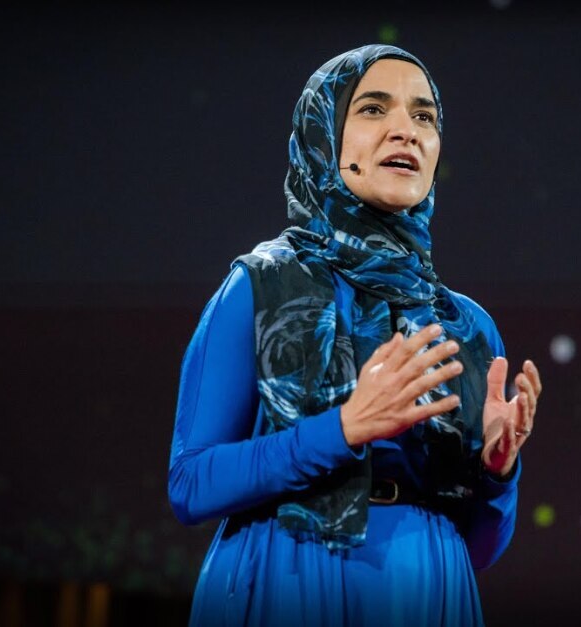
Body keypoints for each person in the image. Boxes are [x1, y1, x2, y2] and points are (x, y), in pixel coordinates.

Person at [167, 43, 543, 626]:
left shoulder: (465, 326)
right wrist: (342, 429)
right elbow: (190, 485)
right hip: (287, 583)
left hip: (428, 592)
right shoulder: (261, 285)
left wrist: (497, 474)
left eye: (424, 117)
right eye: (373, 108)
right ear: (324, 136)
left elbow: (480, 549)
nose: (406, 130)